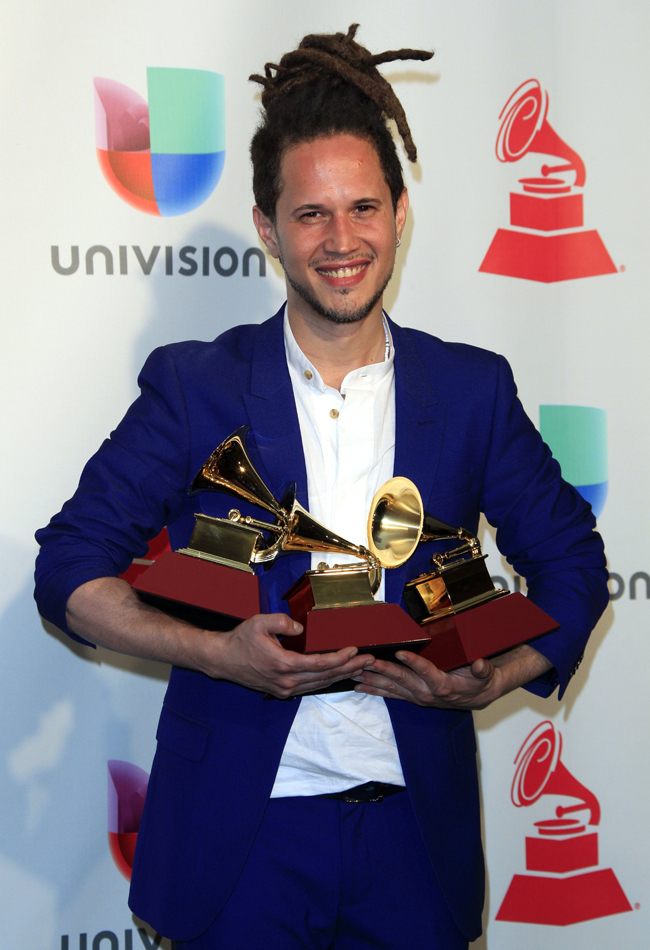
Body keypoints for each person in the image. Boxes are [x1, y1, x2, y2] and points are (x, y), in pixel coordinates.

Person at [34, 25, 608, 950]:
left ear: (399, 213)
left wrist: (491, 678)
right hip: (240, 837)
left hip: (413, 838)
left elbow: (574, 564)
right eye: (311, 215)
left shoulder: (472, 389)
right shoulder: (196, 385)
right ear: (269, 227)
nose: (342, 241)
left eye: (363, 208)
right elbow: (67, 567)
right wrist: (221, 655)